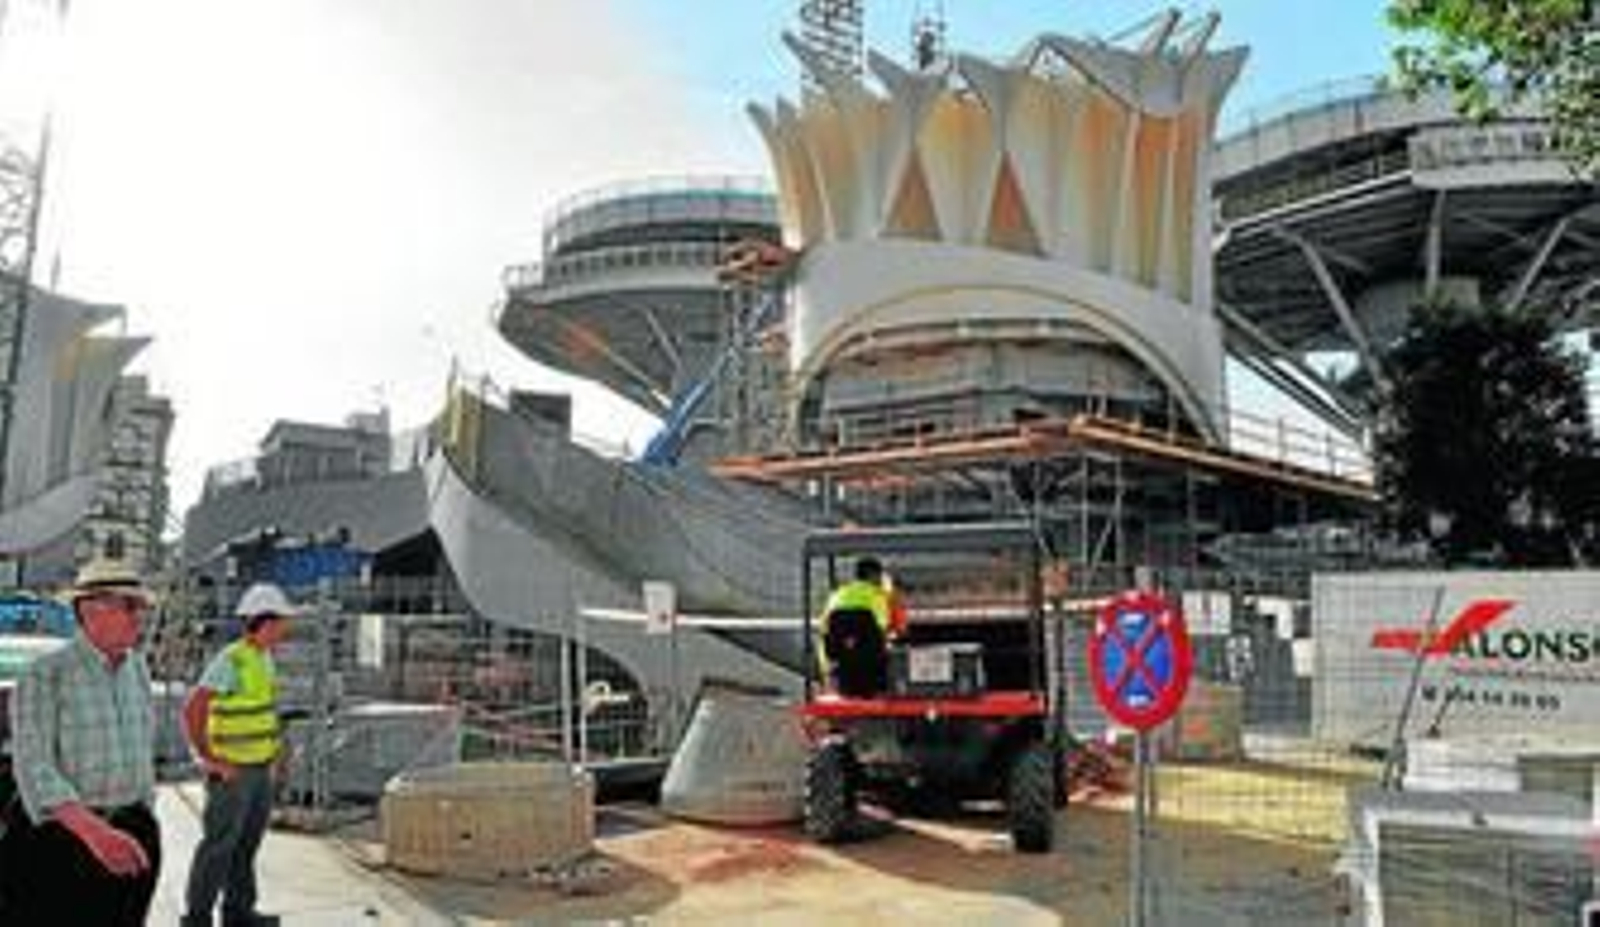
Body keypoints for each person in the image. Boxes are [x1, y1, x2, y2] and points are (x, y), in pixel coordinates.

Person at [2, 558, 162, 925]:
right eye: (130, 605)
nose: (141, 616)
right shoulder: (45, 674)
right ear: (91, 610)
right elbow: (34, 765)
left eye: (143, 607)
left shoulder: (137, 667)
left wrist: (144, 818)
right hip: (65, 839)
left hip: (132, 830)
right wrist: (96, 832)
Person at [181, 582, 300, 927]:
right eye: (282, 622)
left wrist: (274, 757)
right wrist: (209, 759)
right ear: (265, 621)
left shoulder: (263, 658)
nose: (286, 629)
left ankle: (238, 912)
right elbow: (193, 708)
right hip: (232, 773)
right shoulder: (231, 659)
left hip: (259, 769)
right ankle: (197, 919)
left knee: (246, 844)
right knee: (219, 846)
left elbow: (262, 712)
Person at [818, 556, 895, 696]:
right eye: (880, 577)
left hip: (840, 671)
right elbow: (883, 628)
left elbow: (825, 630)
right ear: (873, 575)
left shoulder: (836, 595)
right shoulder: (876, 596)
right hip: (871, 671)